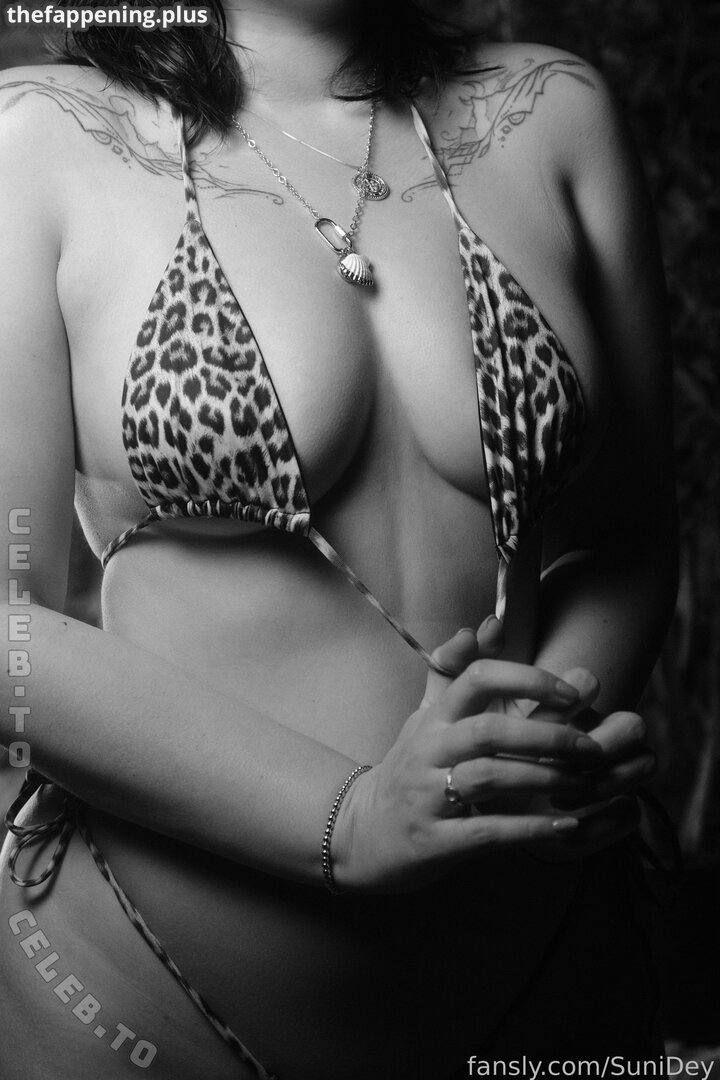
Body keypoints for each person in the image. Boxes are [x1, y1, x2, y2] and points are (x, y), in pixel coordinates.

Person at [0, 1, 678, 1077]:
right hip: (140, 1002)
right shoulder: (39, 136)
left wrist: (548, 741)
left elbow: (630, 532)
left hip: (550, 979)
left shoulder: (550, 111)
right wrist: (350, 821)